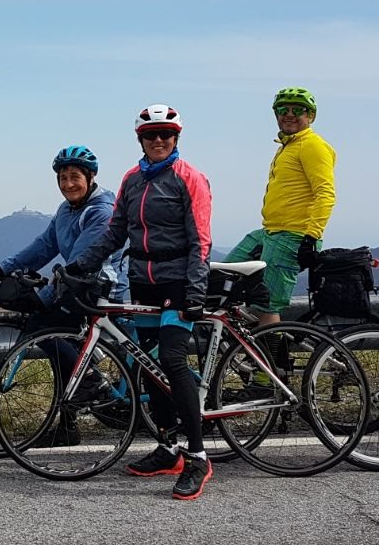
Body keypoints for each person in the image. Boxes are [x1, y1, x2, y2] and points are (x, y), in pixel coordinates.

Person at [67, 105, 214, 500]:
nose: (159, 140)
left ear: (176, 137)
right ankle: (169, 449)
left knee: (171, 359)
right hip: (142, 280)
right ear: (141, 140)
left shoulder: (190, 178)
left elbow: (201, 239)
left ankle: (197, 455)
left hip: (180, 281)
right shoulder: (132, 179)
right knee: (147, 366)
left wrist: (197, 291)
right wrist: (80, 264)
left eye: (166, 134)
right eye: (151, 135)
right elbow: (116, 232)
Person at [0, 146, 127, 445]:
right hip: (78, 287)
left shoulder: (100, 212)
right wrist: (0, 269)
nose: (68, 184)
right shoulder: (66, 210)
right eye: (62, 178)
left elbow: (81, 264)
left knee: (43, 328)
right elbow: (43, 246)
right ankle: (68, 425)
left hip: (100, 289)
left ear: (90, 177)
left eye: (75, 177)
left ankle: (90, 384)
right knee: (60, 344)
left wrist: (43, 297)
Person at [222, 86, 336, 325]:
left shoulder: (312, 145)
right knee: (223, 274)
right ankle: (248, 341)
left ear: (311, 116)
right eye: (283, 109)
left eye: (299, 110)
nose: (290, 114)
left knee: (268, 303)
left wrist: (311, 236)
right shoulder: (289, 146)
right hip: (270, 231)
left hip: (292, 235)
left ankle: (271, 361)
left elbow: (325, 193)